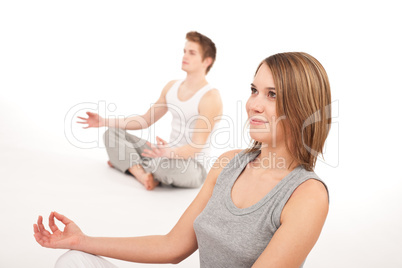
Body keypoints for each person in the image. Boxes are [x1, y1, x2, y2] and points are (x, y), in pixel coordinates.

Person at [34, 52, 332, 268]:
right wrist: (81, 241)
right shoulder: (229, 164)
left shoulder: (306, 195)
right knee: (73, 260)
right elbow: (172, 246)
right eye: (254, 90)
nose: (253, 104)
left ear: (302, 107)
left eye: (272, 95)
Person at [77, 31, 222, 190]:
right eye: (184, 51)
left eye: (192, 53)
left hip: (192, 166)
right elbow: (145, 120)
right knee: (111, 134)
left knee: (161, 165)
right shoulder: (171, 87)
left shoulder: (210, 97)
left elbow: (196, 146)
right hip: (164, 154)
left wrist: (169, 153)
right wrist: (104, 121)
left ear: (207, 61)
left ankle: (131, 165)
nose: (185, 56)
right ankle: (143, 175)